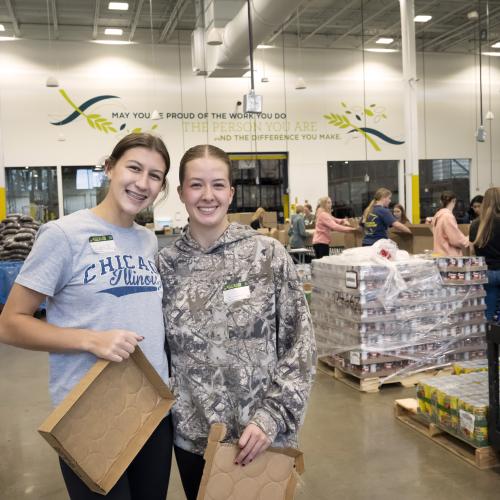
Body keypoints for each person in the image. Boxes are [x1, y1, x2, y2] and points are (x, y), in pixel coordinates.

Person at [0, 133, 173, 500]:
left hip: (151, 405)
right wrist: (90, 339)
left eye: (155, 176)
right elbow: (10, 322)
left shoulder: (147, 240)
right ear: (109, 168)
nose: (143, 183)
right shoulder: (63, 235)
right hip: (89, 410)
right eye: (134, 168)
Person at [157, 144, 316, 500]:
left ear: (231, 192)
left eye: (217, 185)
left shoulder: (266, 255)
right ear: (181, 192)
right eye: (196, 185)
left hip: (261, 436)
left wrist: (271, 417)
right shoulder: (165, 267)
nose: (207, 195)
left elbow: (301, 346)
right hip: (194, 440)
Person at [469, 187, 500, 320]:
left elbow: (472, 251)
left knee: (488, 312)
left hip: (486, 273)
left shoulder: (475, 224)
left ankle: (489, 338)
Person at [431, 190, 470, 256]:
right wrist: (469, 238)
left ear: (441, 201)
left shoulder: (437, 216)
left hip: (439, 255)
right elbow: (456, 240)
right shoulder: (447, 216)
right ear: (454, 201)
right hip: (449, 258)